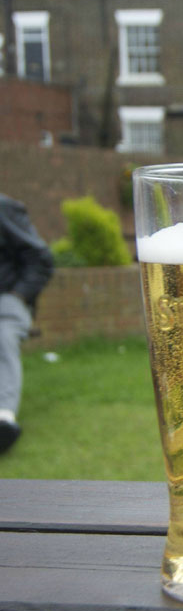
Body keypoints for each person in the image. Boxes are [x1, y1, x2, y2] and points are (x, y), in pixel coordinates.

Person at [0, 193, 55, 453]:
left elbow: (41, 259)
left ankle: (3, 418)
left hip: (6, 298)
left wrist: (18, 294)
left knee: (2, 334)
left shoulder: (3, 209)